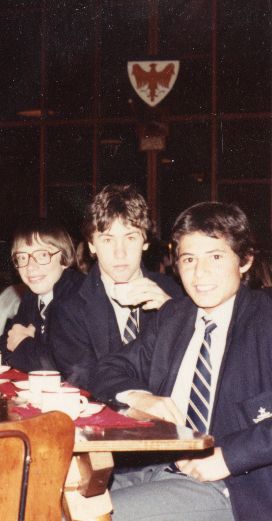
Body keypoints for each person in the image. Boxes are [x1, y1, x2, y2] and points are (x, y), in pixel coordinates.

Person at [93, 202, 272, 521]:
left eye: (215, 257)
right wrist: (140, 397)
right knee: (52, 496)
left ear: (244, 261)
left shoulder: (265, 320)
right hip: (155, 464)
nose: (199, 273)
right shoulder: (174, 317)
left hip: (232, 485)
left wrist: (227, 457)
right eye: (189, 259)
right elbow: (108, 369)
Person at [50, 184, 182, 390]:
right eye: (107, 239)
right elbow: (85, 379)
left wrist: (172, 313)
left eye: (130, 238)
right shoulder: (68, 307)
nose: (120, 253)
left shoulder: (176, 295)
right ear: (92, 245)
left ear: (145, 241)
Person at [0, 220, 84, 372]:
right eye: (22, 257)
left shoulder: (77, 294)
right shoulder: (32, 296)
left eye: (42, 255)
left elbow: (68, 367)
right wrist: (29, 346)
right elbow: (3, 345)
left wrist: (24, 343)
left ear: (64, 258)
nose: (30, 267)